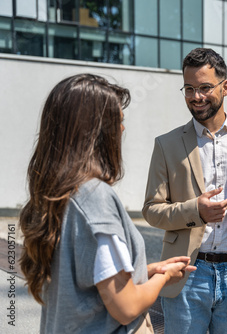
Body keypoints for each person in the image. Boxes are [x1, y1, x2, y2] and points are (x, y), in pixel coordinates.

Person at [19, 73, 196, 334]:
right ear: (95, 131)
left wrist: (144, 270)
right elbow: (126, 307)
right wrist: (164, 277)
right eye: (118, 121)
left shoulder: (53, 194)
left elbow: (88, 278)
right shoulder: (95, 197)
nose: (122, 130)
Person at [142, 47, 227, 334]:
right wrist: (196, 211)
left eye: (204, 87)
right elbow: (152, 209)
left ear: (225, 87)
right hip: (186, 274)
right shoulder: (166, 145)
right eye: (189, 89)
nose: (196, 97)